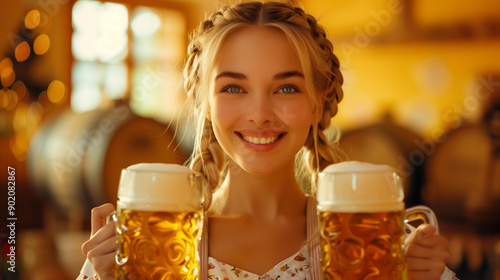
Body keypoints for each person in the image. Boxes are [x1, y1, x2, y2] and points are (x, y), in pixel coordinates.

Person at [80, 1, 453, 279]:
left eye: (286, 87)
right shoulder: (145, 244)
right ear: (203, 103)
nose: (259, 113)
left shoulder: (380, 244)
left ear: (317, 102)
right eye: (234, 88)